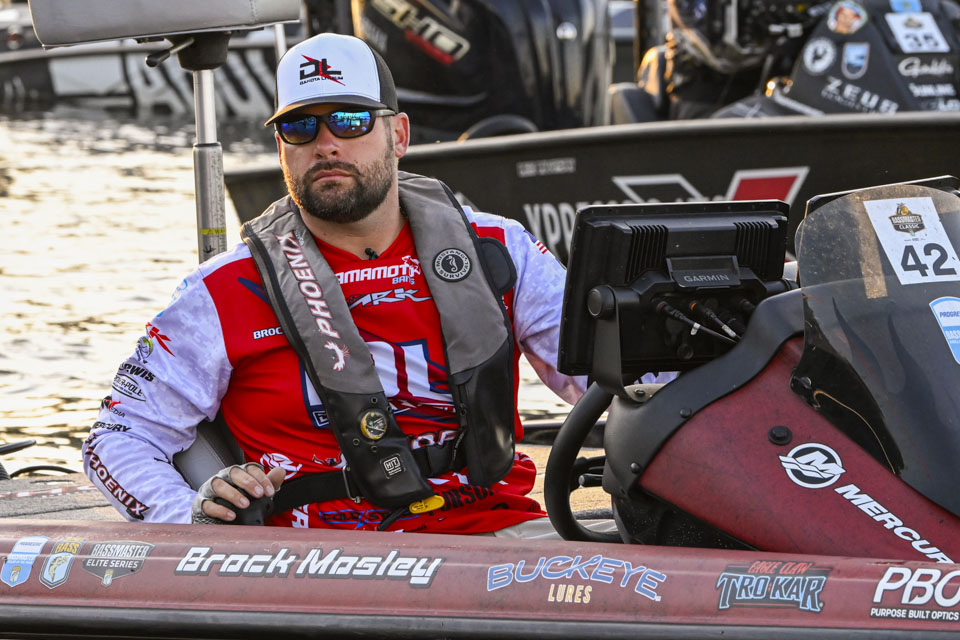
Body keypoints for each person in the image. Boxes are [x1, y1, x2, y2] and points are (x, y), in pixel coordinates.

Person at [82, 33, 592, 536]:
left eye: (350, 121)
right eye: (300, 127)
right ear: (281, 147)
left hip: (498, 536)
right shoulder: (220, 290)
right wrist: (189, 516)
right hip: (321, 559)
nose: (325, 145)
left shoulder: (501, 249)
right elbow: (117, 436)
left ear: (399, 135)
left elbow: (607, 380)